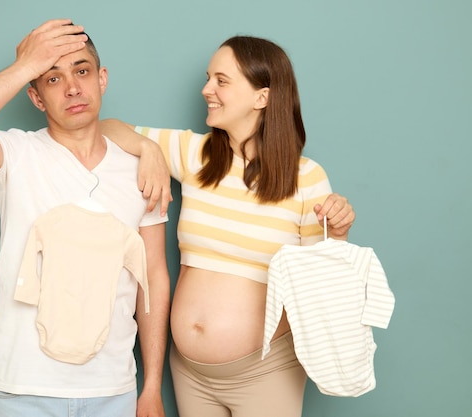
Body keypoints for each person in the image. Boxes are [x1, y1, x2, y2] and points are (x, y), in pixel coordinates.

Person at [0, 19, 170, 417]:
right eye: (52, 79)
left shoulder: (142, 169)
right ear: (36, 98)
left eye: (82, 71)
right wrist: (25, 66)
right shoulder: (17, 155)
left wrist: (152, 385)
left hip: (112, 388)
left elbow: (153, 278)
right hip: (21, 387)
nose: (73, 88)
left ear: (102, 78)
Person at [101, 35, 356, 417]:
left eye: (222, 81)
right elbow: (105, 128)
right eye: (208, 78)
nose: (206, 90)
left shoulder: (306, 178)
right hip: (190, 373)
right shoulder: (195, 155)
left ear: (262, 97)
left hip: (266, 372)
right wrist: (149, 148)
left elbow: (319, 288)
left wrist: (336, 235)